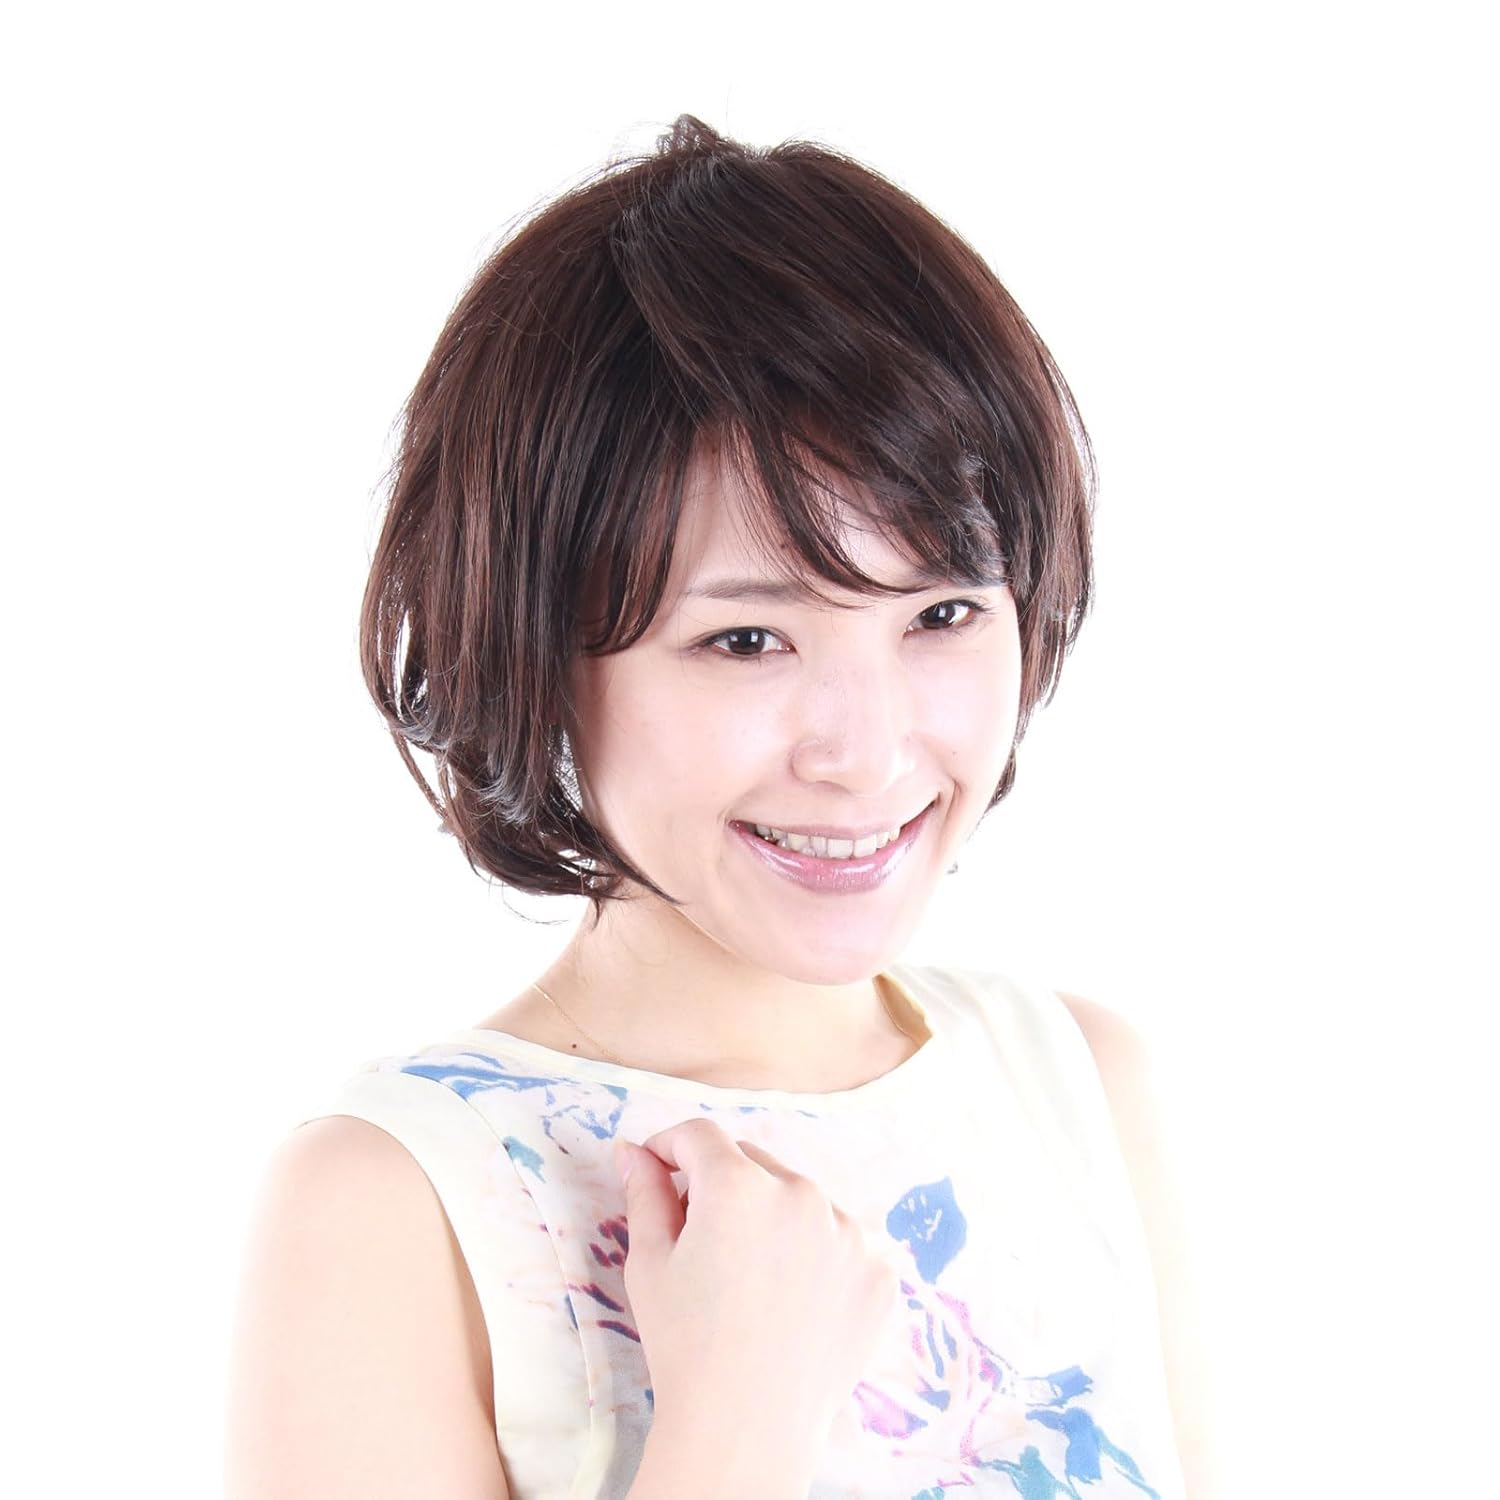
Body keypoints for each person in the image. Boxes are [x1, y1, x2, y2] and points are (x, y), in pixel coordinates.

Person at [225, 115, 1214, 1499]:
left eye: (941, 614)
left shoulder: (1078, 1086)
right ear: (535, 654)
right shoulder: (398, 1207)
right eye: (746, 640)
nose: (868, 753)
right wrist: (736, 1421)